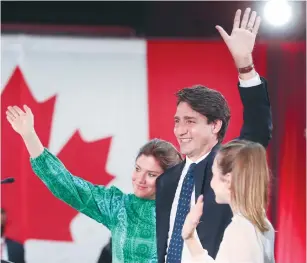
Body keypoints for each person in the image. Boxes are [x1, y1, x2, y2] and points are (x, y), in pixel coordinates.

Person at [155, 8, 273, 263]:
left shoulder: (228, 169)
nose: (180, 130)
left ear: (215, 125)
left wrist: (245, 65)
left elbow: (258, 129)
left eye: (190, 121)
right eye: (177, 121)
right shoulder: (166, 181)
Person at [5, 106, 183, 263]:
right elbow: (67, 185)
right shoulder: (119, 206)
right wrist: (29, 135)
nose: (140, 179)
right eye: (137, 169)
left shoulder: (187, 212)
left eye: (151, 174)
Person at [182, 140, 275, 263]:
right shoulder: (261, 225)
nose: (211, 184)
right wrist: (190, 238)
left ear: (228, 180)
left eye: (214, 175)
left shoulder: (240, 231)